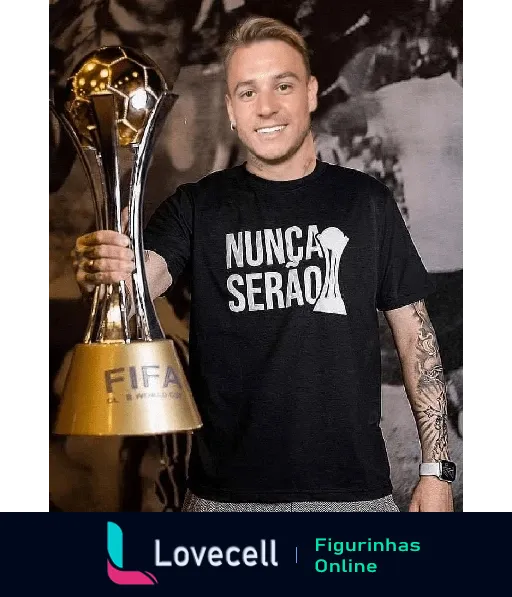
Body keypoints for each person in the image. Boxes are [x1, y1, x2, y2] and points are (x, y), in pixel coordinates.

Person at [71, 16, 456, 512]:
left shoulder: (366, 202)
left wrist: (436, 470)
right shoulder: (196, 206)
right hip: (222, 505)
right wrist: (109, 275)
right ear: (230, 109)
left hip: (353, 500)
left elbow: (415, 335)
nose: (267, 106)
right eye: (247, 92)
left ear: (312, 93)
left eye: (283, 85)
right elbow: (148, 276)